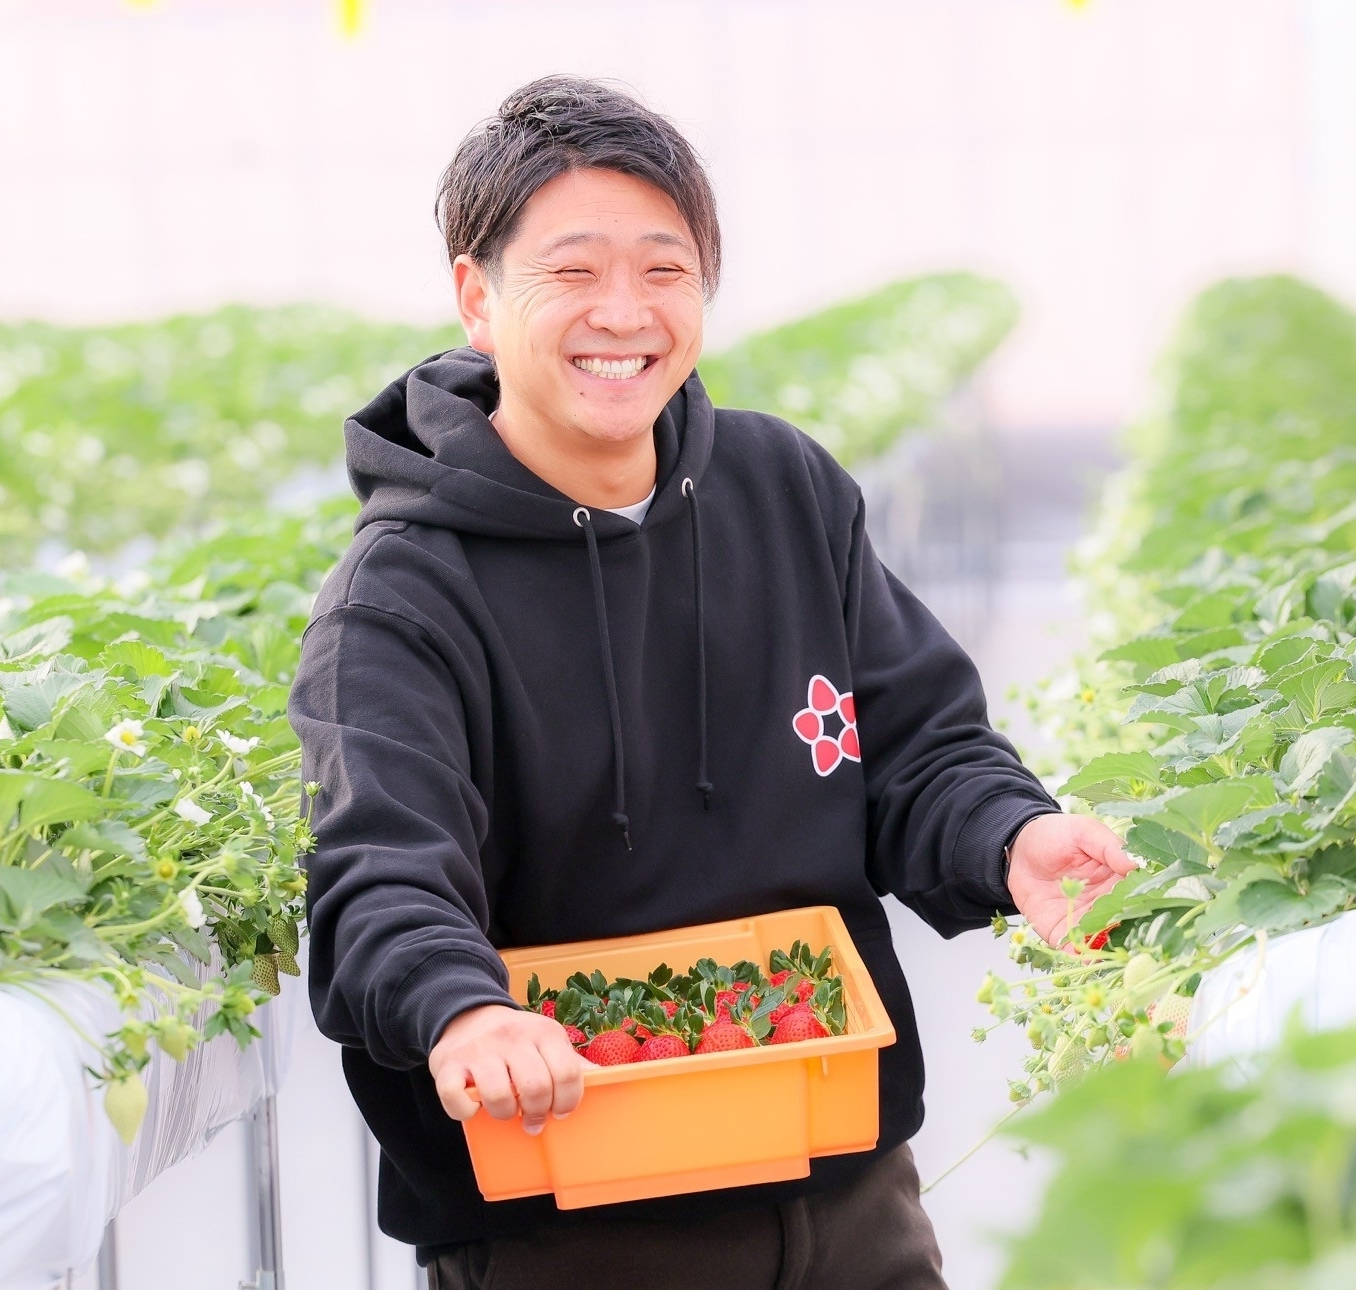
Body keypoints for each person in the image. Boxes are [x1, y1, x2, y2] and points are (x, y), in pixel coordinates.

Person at [290, 75, 1133, 1290]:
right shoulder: (402, 599)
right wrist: (462, 1012)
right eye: (571, 273)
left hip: (848, 1190)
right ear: (477, 297)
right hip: (572, 1220)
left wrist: (1010, 836)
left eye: (664, 268)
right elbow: (381, 873)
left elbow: (917, 748)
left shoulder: (782, 488)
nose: (623, 313)